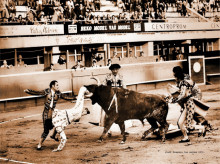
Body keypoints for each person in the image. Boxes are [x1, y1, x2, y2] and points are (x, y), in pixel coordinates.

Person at [24, 80, 75, 150]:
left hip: (53, 113)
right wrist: (29, 91)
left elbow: (66, 97)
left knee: (58, 124)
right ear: (52, 86)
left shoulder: (58, 93)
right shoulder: (47, 91)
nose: (58, 86)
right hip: (46, 113)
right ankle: (39, 144)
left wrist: (75, 98)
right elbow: (37, 93)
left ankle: (53, 136)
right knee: (46, 130)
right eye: (57, 85)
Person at [170, 66, 207, 143]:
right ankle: (186, 137)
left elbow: (183, 94)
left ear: (177, 75)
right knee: (180, 122)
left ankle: (202, 127)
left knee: (189, 125)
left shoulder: (184, 83)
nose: (174, 77)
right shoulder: (183, 81)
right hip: (187, 104)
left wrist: (175, 100)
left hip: (189, 104)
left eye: (174, 75)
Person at [102, 64, 127, 136]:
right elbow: (103, 86)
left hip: (119, 96)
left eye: (116, 69)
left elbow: (124, 86)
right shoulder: (107, 77)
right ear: (111, 70)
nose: (115, 71)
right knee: (108, 113)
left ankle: (123, 130)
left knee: (121, 113)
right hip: (110, 97)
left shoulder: (121, 76)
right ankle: (109, 130)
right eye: (113, 69)